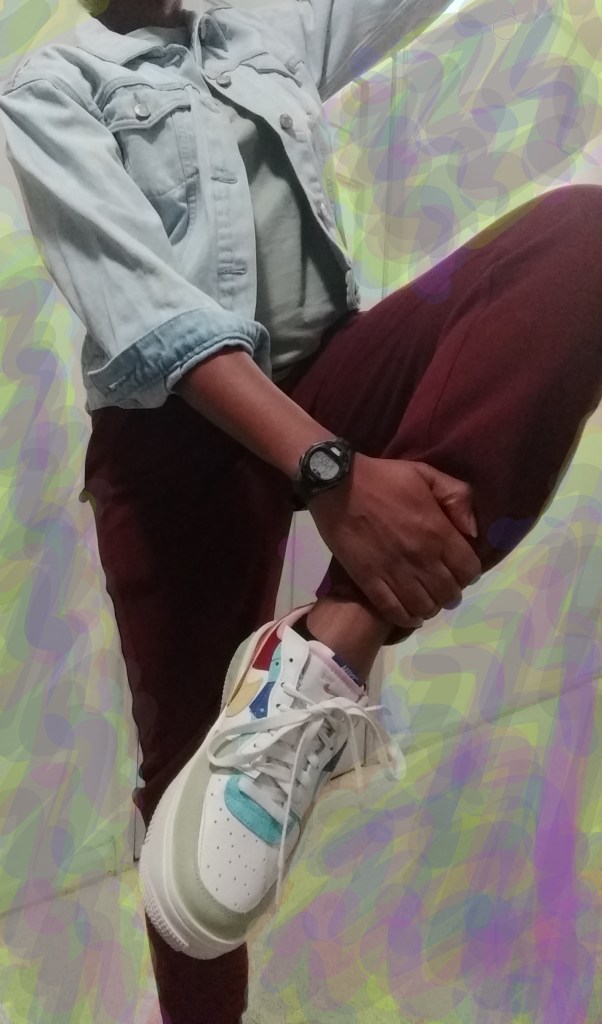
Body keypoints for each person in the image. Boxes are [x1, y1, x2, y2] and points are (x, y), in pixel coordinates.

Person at [2, 0, 602, 1020]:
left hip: (330, 376)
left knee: (579, 241)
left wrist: (341, 481)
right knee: (186, 780)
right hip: (172, 439)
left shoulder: (265, 30)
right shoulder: (53, 87)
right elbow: (150, 316)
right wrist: (336, 477)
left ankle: (332, 647)